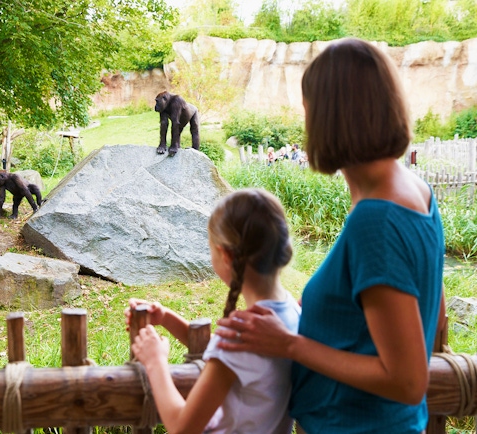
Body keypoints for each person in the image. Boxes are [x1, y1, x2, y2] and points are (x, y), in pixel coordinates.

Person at [215, 38, 444, 434]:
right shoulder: (416, 193)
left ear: (329, 116)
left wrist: (288, 344)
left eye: (308, 110)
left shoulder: (377, 220)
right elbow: (418, 314)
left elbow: (407, 382)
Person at [126, 188, 301, 434]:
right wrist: (166, 318)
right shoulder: (291, 314)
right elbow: (234, 359)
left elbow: (181, 427)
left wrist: (155, 362)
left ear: (226, 255)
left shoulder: (240, 337)